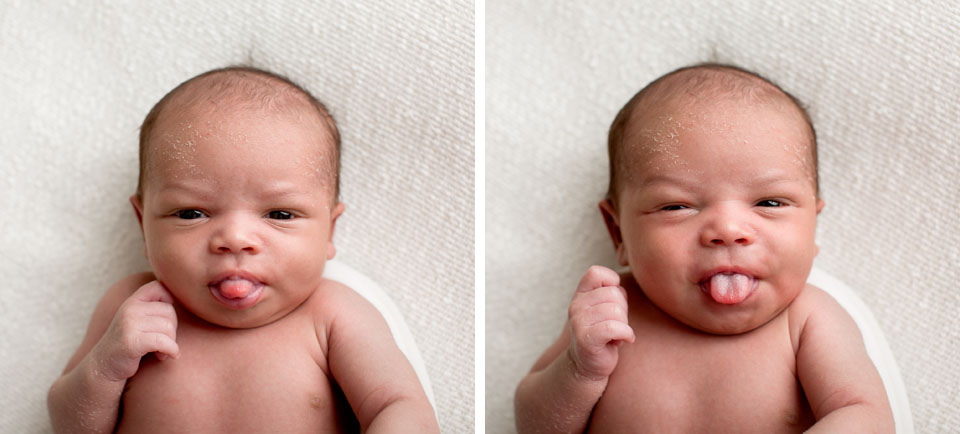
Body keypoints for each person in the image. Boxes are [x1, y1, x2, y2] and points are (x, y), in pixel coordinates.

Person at [47, 66, 440, 434]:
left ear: (329, 229)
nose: (235, 238)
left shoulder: (333, 315)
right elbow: (69, 424)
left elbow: (402, 407)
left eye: (280, 213)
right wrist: (105, 367)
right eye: (191, 213)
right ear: (143, 225)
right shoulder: (131, 307)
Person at [514, 63, 894, 433]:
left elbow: (868, 418)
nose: (728, 231)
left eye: (770, 202)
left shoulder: (807, 320)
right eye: (676, 206)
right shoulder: (612, 314)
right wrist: (580, 369)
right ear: (618, 233)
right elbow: (534, 426)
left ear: (813, 226)